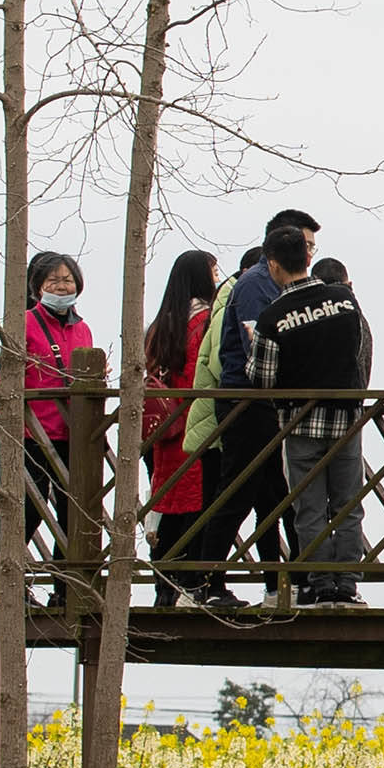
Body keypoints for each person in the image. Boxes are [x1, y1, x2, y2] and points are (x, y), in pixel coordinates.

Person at [183, 213, 317, 599]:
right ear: (276, 256)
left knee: (272, 496)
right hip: (248, 401)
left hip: (264, 404)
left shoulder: (272, 283)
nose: (305, 256)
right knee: (237, 493)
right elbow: (256, 350)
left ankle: (287, 580)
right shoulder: (256, 285)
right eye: (303, 248)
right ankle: (206, 580)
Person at [266, 249, 375, 605]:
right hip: (346, 418)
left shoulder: (275, 315)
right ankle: (347, 581)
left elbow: (263, 377)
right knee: (348, 503)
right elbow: (361, 354)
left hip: (301, 422)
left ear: (275, 263)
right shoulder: (346, 303)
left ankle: (321, 582)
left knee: (309, 506)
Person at [142, 250, 220, 606]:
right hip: (196, 426)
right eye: (213, 271)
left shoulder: (159, 327)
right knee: (197, 504)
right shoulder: (204, 323)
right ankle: (193, 582)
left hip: (164, 430)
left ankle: (164, 586)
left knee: (167, 504)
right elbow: (198, 377)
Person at [22, 252, 97, 576]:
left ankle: (65, 585)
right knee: (30, 508)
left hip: (75, 433)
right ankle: (6, 581)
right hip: (35, 433)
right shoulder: (25, 322)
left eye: (68, 280)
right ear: (38, 287)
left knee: (72, 510)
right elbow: (8, 376)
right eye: (53, 280)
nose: (62, 287)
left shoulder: (83, 330)